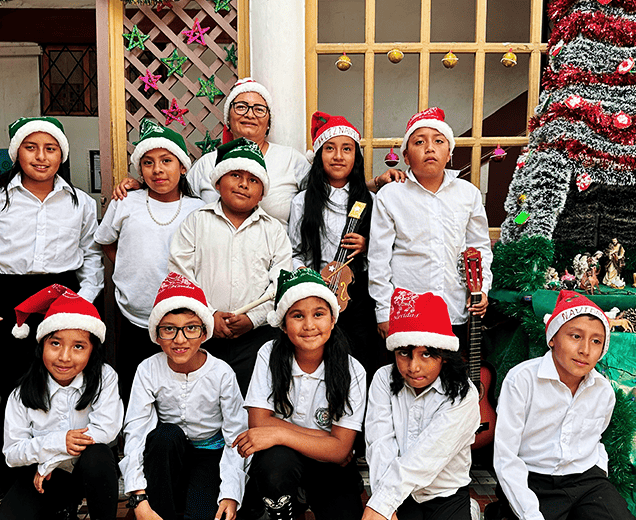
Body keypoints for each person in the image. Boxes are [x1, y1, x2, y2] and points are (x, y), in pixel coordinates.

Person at [0, 117, 103, 508]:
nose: (41, 157)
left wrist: (84, 301)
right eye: (31, 147)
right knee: (13, 383)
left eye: (50, 149)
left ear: (62, 155)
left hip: (61, 296)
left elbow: (91, 256)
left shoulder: (80, 203)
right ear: (16, 152)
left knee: (62, 379)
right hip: (5, 298)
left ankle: (62, 463)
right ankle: (9, 468)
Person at [487, 290, 636, 520]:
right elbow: (506, 458)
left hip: (584, 482)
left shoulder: (603, 391)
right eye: (575, 336)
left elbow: (596, 441)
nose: (585, 350)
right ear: (552, 338)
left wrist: (598, 490)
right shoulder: (522, 380)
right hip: (534, 482)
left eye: (596, 341)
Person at [233, 268, 369, 520]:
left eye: (319, 314)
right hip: (285, 460)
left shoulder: (352, 369)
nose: (309, 325)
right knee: (271, 462)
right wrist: (326, 440)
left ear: (333, 319)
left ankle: (308, 495)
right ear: (283, 323)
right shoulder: (269, 355)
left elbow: (341, 451)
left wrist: (281, 432)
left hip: (330, 468)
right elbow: (257, 427)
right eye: (297, 315)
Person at [114, 78, 402, 226]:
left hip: (280, 269)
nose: (249, 114)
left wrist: (373, 184)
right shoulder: (207, 164)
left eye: (259, 109)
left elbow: (330, 190)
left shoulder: (291, 160)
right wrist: (139, 186)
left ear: (268, 121)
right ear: (228, 119)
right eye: (241, 107)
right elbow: (173, 196)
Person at [360, 288, 485, 520]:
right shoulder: (383, 379)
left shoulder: (463, 394)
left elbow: (426, 458)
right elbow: (380, 443)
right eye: (404, 353)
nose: (413, 367)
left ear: (444, 354)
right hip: (403, 493)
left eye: (427, 354)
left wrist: (381, 503)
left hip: (446, 495)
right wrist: (386, 504)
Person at [0, 285, 123, 520]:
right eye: (55, 343)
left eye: (78, 346)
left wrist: (49, 457)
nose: (64, 356)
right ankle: (63, 507)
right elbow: (11, 453)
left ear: (92, 350)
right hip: (48, 479)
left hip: (86, 471)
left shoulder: (104, 377)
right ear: (41, 345)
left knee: (98, 455)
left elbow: (106, 430)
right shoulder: (22, 392)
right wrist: (55, 443)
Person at [119, 273, 248, 520]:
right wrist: (138, 499)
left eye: (191, 328)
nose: (180, 339)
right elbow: (136, 433)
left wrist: (231, 494)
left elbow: (235, 437)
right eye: (169, 329)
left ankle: (190, 499)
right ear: (156, 334)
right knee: (164, 436)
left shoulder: (221, 373)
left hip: (210, 454)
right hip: (168, 454)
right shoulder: (148, 370)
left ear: (204, 332)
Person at [168, 137, 292, 395]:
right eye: (235, 175)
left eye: (253, 180)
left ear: (262, 193)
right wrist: (209, 315)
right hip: (202, 334)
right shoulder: (196, 222)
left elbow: (281, 283)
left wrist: (252, 319)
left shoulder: (274, 231)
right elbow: (180, 276)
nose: (244, 184)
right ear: (218, 182)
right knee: (204, 399)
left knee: (252, 398)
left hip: (256, 338)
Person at [95, 119, 205, 404]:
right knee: (134, 382)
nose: (157, 169)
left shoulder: (198, 209)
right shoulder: (126, 201)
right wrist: (127, 264)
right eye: (148, 162)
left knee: (178, 385)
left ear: (182, 167)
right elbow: (106, 240)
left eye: (166, 160)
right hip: (135, 311)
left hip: (182, 315)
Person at [368, 107, 492, 347]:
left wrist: (482, 289)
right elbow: (379, 258)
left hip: (454, 306)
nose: (429, 148)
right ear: (406, 156)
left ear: (449, 153)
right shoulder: (390, 196)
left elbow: (479, 248)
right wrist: (383, 311)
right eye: (419, 142)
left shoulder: (468, 194)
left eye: (438, 141)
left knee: (451, 367)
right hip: (407, 310)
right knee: (411, 367)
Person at [289, 111, 381, 377]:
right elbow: (294, 252)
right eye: (330, 148)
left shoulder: (371, 200)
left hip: (358, 296)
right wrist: (308, 278)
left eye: (347, 149)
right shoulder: (302, 201)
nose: (338, 156)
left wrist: (367, 245)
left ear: (356, 157)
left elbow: (387, 251)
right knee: (321, 360)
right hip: (316, 291)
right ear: (319, 155)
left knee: (360, 360)